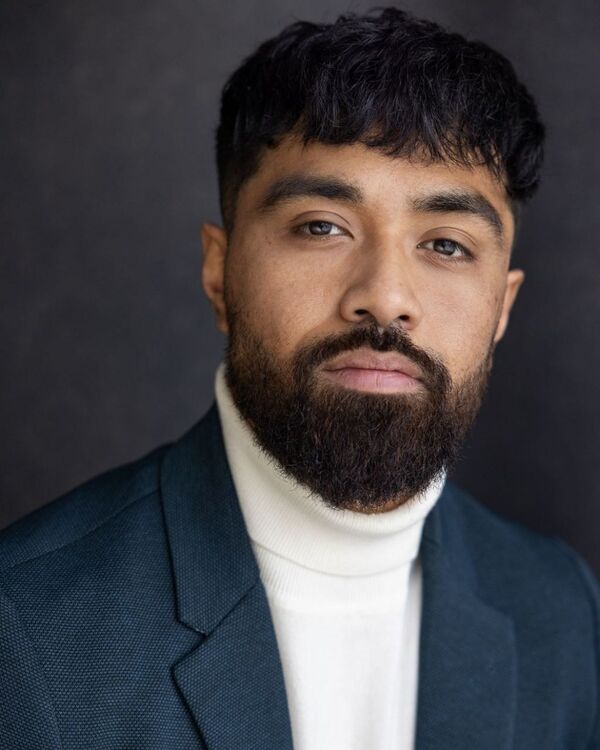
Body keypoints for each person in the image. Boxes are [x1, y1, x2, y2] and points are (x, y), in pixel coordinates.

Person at [1, 7, 598, 749]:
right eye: (322, 227)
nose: (386, 296)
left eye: (446, 245)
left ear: (502, 308)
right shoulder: (25, 629)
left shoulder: (562, 612)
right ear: (219, 271)